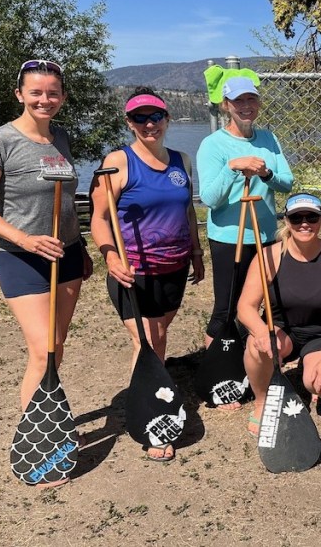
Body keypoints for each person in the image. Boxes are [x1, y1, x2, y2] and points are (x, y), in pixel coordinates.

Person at [0, 59, 93, 485]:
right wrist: (25, 240)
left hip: (68, 255)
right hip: (21, 257)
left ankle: (47, 415)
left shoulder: (62, 138)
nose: (45, 100)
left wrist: (83, 248)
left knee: (56, 344)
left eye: (53, 93)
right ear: (19, 94)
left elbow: (66, 202)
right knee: (42, 350)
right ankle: (42, 442)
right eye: (36, 92)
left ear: (63, 97)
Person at [89, 88, 205, 462]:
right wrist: (110, 256)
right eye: (140, 118)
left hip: (175, 266)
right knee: (147, 341)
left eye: (156, 116)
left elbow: (187, 210)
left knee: (160, 336)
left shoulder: (180, 161)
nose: (149, 124)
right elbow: (100, 218)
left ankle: (157, 393)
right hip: (133, 270)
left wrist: (197, 251)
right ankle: (154, 420)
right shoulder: (118, 163)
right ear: (129, 123)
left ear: (167, 119)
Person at [196, 76, 294, 409]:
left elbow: (287, 183)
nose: (246, 107)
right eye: (238, 101)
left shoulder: (268, 138)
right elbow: (210, 198)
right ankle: (217, 377)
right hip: (229, 237)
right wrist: (233, 167)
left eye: (251, 100)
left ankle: (258, 367)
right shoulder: (213, 145)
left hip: (266, 236)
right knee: (227, 307)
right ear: (226, 105)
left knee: (266, 304)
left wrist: (266, 173)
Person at [236, 193, 321, 436]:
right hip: (283, 331)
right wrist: (261, 333)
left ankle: (311, 369)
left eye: (311, 217)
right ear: (287, 221)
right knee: (255, 345)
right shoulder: (269, 256)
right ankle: (262, 401)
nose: (304, 223)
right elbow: (245, 307)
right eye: (296, 217)